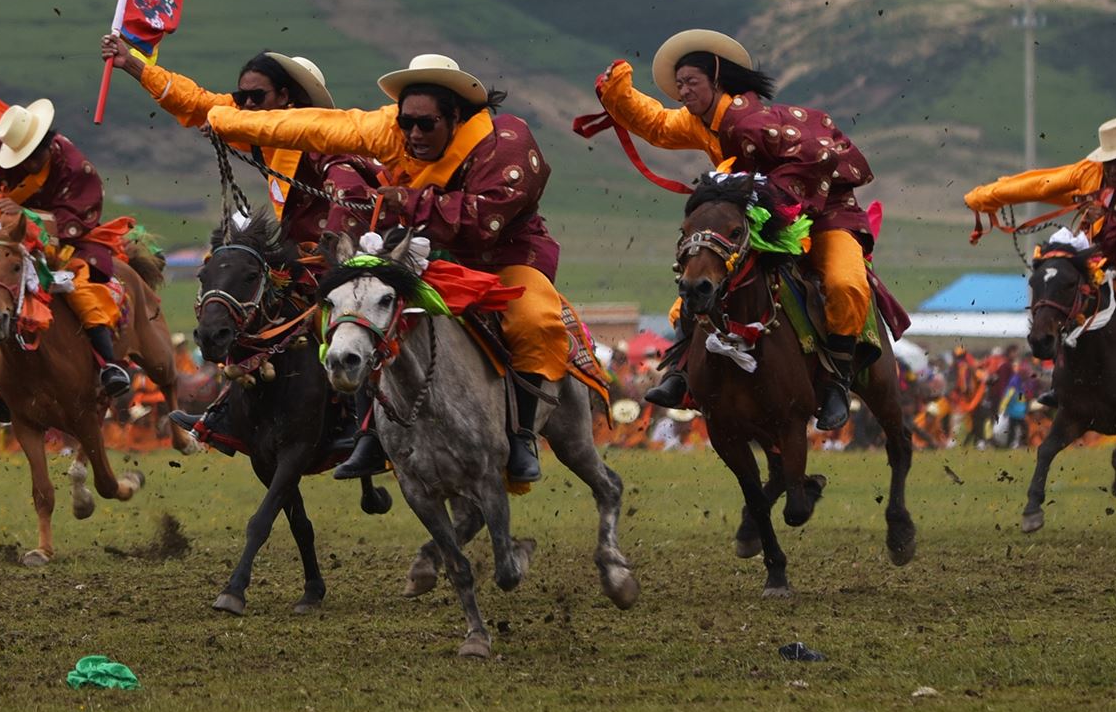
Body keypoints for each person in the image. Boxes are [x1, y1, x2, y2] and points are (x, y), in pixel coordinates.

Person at [207, 53, 561, 482]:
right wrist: (218, 117)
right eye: (405, 123)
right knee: (364, 317)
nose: (412, 133)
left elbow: (484, 223)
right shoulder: (395, 135)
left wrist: (401, 202)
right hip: (419, 250)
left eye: (424, 124)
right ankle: (368, 433)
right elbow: (309, 128)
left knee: (534, 320)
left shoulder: (507, 142)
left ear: (456, 117)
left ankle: (522, 437)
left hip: (506, 256)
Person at [102, 36, 381, 448]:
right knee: (242, 303)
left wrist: (331, 245)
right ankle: (229, 412)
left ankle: (366, 429)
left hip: (354, 255)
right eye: (241, 97)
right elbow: (198, 104)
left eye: (256, 97)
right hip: (304, 260)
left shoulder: (323, 137)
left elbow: (350, 190)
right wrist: (133, 65)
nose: (245, 106)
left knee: (340, 323)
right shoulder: (261, 128)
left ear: (287, 99)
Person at [594, 30, 875, 429]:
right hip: (752, 222)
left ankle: (837, 382)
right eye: (680, 85)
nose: (684, 91)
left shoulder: (752, 122)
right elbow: (657, 124)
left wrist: (765, 193)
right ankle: (682, 373)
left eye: (692, 82)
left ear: (717, 81)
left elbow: (817, 157)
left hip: (823, 212)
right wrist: (618, 93)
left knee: (846, 283)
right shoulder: (701, 122)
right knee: (694, 286)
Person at [966, 117, 1116, 417]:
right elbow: (1041, 184)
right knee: (1065, 296)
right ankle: (1062, 382)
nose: (1113, 169)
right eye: (1109, 162)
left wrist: (1105, 221)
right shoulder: (1090, 173)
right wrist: (986, 197)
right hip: (1097, 258)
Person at [0, 91, 134, 416]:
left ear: (47, 144)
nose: (27, 164)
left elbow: (77, 217)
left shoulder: (77, 168)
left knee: (85, 290)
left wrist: (26, 215)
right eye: (21, 158)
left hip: (68, 244)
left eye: (32, 158)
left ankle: (108, 365)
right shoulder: (1, 145)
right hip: (14, 241)